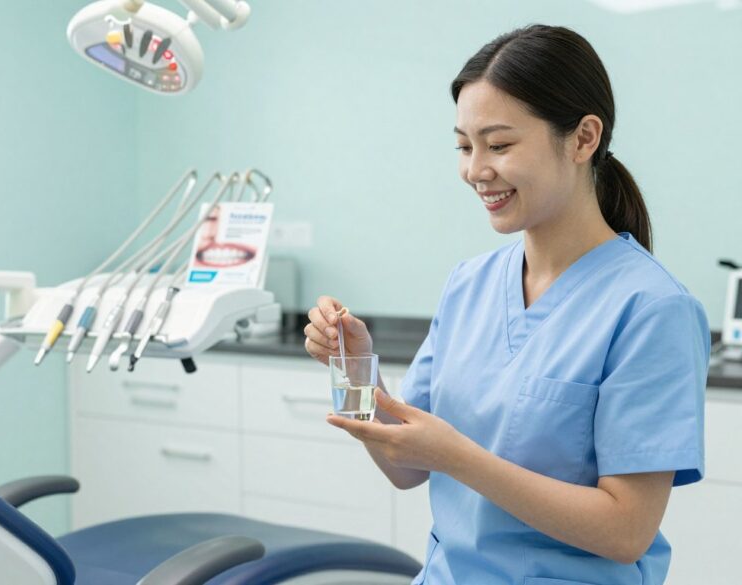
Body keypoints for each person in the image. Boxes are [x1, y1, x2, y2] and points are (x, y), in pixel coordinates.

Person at [303, 25, 709, 585]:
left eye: (499, 145)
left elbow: (626, 531)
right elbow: (405, 466)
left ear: (584, 138)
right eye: (464, 147)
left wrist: (459, 457)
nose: (475, 170)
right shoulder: (468, 284)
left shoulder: (652, 309)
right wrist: (352, 369)